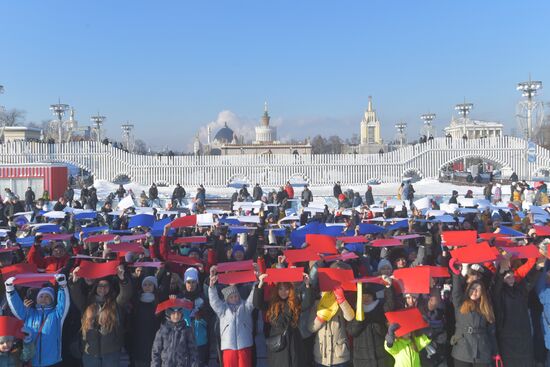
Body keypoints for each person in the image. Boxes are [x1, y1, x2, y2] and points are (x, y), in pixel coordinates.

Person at [69, 264, 133, 367]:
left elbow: (126, 294)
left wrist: (123, 279)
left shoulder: (115, 304)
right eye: (100, 286)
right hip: (90, 353)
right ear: (95, 288)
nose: (103, 289)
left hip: (111, 353)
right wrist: (74, 281)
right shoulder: (86, 303)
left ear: (110, 288)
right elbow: (76, 294)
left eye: (106, 286)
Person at [5, 274, 70, 367]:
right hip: (32, 362)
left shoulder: (56, 314)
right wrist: (10, 290)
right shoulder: (28, 313)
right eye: (41, 296)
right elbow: (16, 307)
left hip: (53, 362)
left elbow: (64, 303)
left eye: (47, 296)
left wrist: (62, 285)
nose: (44, 298)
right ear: (36, 299)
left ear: (52, 300)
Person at [254, 273, 312, 367]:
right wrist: (260, 284)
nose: (283, 292)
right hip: (278, 345)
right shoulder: (272, 303)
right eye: (280, 289)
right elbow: (257, 304)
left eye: (286, 289)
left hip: (293, 343)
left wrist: (307, 285)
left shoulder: (295, 303)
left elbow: (307, 303)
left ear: (290, 290)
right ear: (277, 290)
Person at [208, 266, 256, 367]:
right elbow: (214, 301)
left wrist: (257, 283)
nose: (234, 298)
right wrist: (212, 286)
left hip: (245, 344)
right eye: (231, 297)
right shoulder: (222, 309)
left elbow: (253, 296)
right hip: (228, 345)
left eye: (236, 296)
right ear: (226, 298)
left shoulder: (245, 306)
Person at [451, 271, 500, 367]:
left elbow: (491, 332)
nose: (474, 292)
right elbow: (456, 291)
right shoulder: (461, 303)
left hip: (482, 351)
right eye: (472, 288)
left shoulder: (486, 307)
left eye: (478, 289)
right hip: (462, 349)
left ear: (482, 293)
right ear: (468, 289)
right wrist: (457, 274)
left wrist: (495, 351)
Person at [151, 301, 199, 367]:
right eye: (173, 314)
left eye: (178, 314)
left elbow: (193, 351)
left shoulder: (187, 331)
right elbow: (156, 352)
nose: (176, 316)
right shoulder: (161, 331)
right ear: (168, 314)